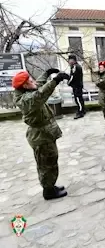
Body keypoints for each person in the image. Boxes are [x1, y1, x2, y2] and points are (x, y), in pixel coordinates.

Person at [13, 69, 70, 200]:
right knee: (46, 163)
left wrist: (47, 73)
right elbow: (41, 93)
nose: (34, 81)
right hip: (40, 136)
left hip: (45, 133)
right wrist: (55, 80)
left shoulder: (26, 89)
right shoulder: (26, 99)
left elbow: (38, 84)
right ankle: (48, 191)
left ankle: (51, 185)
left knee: (51, 159)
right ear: (25, 86)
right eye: (30, 81)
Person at [67, 55, 85, 119]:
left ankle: (80, 112)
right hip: (78, 85)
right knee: (80, 98)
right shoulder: (77, 66)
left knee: (78, 99)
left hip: (76, 86)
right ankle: (82, 110)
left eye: (69, 60)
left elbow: (72, 76)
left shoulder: (75, 67)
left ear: (73, 60)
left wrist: (68, 83)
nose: (68, 61)